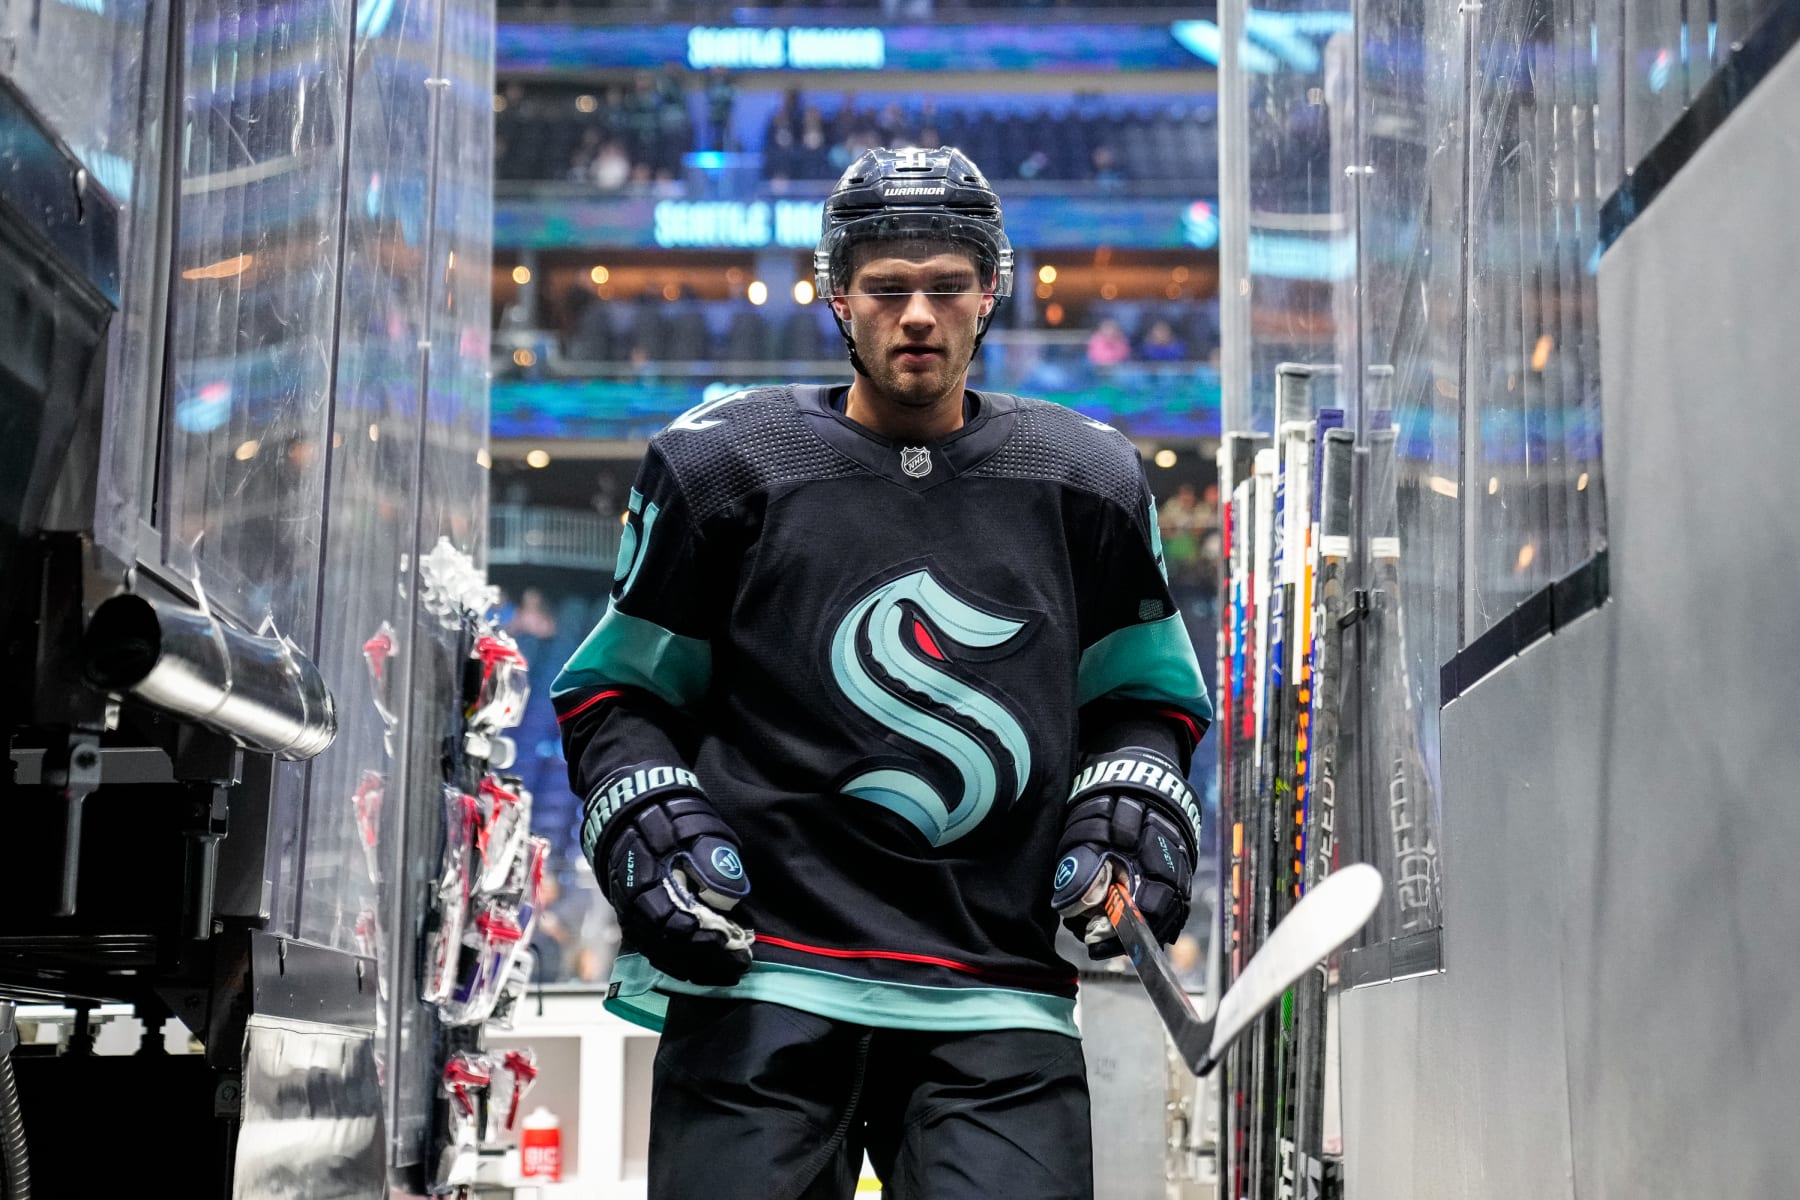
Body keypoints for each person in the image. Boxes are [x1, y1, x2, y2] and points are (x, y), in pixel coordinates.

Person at [553, 146, 1211, 1200]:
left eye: (946, 285)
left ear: (989, 293)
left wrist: (1131, 793)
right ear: (837, 298)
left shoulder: (1088, 482)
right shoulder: (721, 467)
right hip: (763, 978)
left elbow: (1144, 702)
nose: (917, 314)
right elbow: (612, 696)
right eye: (887, 286)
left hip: (995, 994)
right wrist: (647, 805)